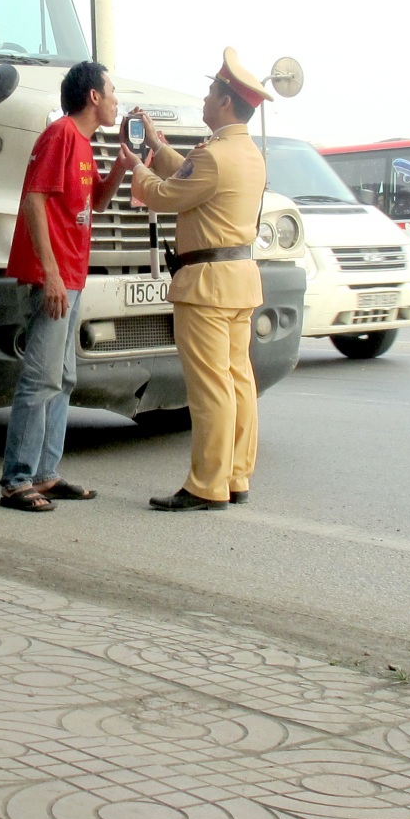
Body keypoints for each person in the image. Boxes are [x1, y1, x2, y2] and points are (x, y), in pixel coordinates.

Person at [129, 48, 270, 511]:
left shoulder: (214, 157)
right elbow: (192, 179)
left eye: (211, 92)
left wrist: (138, 168)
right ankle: (235, 475)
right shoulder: (246, 154)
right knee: (237, 382)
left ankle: (205, 484)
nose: (206, 99)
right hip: (239, 281)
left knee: (210, 388)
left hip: (206, 284)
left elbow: (168, 194)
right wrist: (158, 145)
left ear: (226, 102)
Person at [0, 61, 134, 511]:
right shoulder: (59, 136)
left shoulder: (84, 145)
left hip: (73, 276)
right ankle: (16, 481)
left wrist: (122, 169)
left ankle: (45, 474)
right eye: (112, 91)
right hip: (53, 278)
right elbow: (34, 198)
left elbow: (95, 200)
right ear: (93, 96)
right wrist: (51, 273)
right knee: (40, 378)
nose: (116, 99)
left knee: (64, 377)